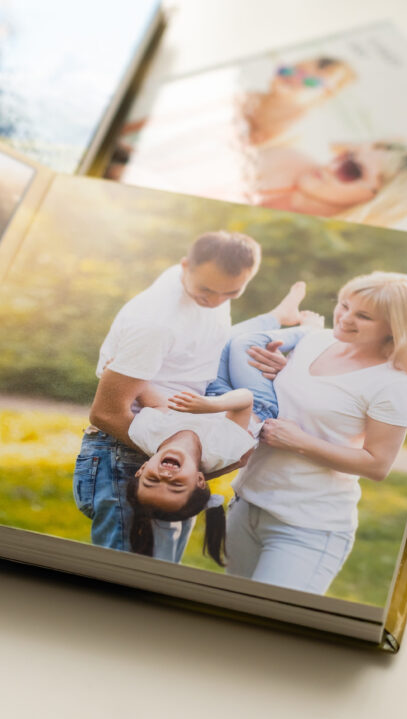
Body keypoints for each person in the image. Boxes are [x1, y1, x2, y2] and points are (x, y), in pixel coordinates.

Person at [74, 231, 300, 563]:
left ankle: (279, 317)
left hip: (179, 433)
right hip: (130, 448)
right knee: (133, 570)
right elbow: (106, 413)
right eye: (207, 290)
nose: (218, 300)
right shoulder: (156, 323)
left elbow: (209, 346)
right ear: (184, 267)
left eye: (232, 292)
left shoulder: (209, 280)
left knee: (165, 567)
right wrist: (190, 461)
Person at [225, 271, 407, 595]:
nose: (346, 317)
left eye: (363, 315)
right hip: (246, 505)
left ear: (394, 328)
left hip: (307, 527)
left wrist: (298, 442)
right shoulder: (316, 340)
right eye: (344, 305)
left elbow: (377, 464)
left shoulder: (393, 384)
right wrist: (282, 373)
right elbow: (308, 398)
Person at [124, 307, 325, 563]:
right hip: (254, 405)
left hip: (214, 395)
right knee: (244, 344)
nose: (165, 476)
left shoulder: (146, 434)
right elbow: (245, 400)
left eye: (152, 481)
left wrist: (126, 371)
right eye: (176, 485)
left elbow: (150, 397)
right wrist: (210, 406)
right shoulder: (221, 450)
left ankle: (278, 315)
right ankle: (311, 333)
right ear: (199, 479)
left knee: (219, 341)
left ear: (141, 469)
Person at [106, 56, 356, 185]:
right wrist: (121, 131)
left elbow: (224, 160)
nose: (294, 79)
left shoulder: (295, 124)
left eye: (310, 81)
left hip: (190, 170)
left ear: (324, 97)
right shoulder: (253, 95)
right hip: (162, 150)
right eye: (290, 70)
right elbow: (181, 113)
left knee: (120, 171)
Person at [255, 140, 407, 226]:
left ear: (379, 200)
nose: (330, 166)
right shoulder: (284, 160)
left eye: (351, 170)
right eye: (346, 154)